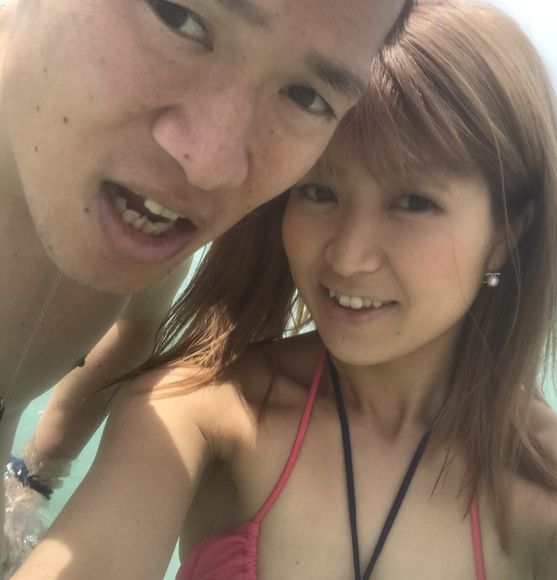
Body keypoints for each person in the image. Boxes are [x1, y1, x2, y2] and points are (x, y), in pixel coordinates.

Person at [12, 0, 557, 578]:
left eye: (414, 202)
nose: (347, 256)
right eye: (319, 192)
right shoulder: (206, 409)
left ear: (506, 233)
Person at [0, 0, 412, 573]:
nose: (209, 166)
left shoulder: (138, 206)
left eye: (305, 96)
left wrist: (33, 477)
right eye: (177, 15)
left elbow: (136, 330)